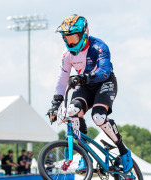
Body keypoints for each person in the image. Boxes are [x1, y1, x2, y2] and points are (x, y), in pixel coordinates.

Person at [47, 14, 133, 173]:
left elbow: (104, 71)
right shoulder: (67, 55)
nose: (70, 42)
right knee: (72, 110)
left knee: (98, 117)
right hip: (83, 85)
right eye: (67, 39)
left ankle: (122, 150)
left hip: (104, 83)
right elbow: (61, 81)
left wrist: (83, 77)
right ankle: (84, 157)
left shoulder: (99, 46)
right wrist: (54, 105)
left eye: (74, 37)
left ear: (84, 33)